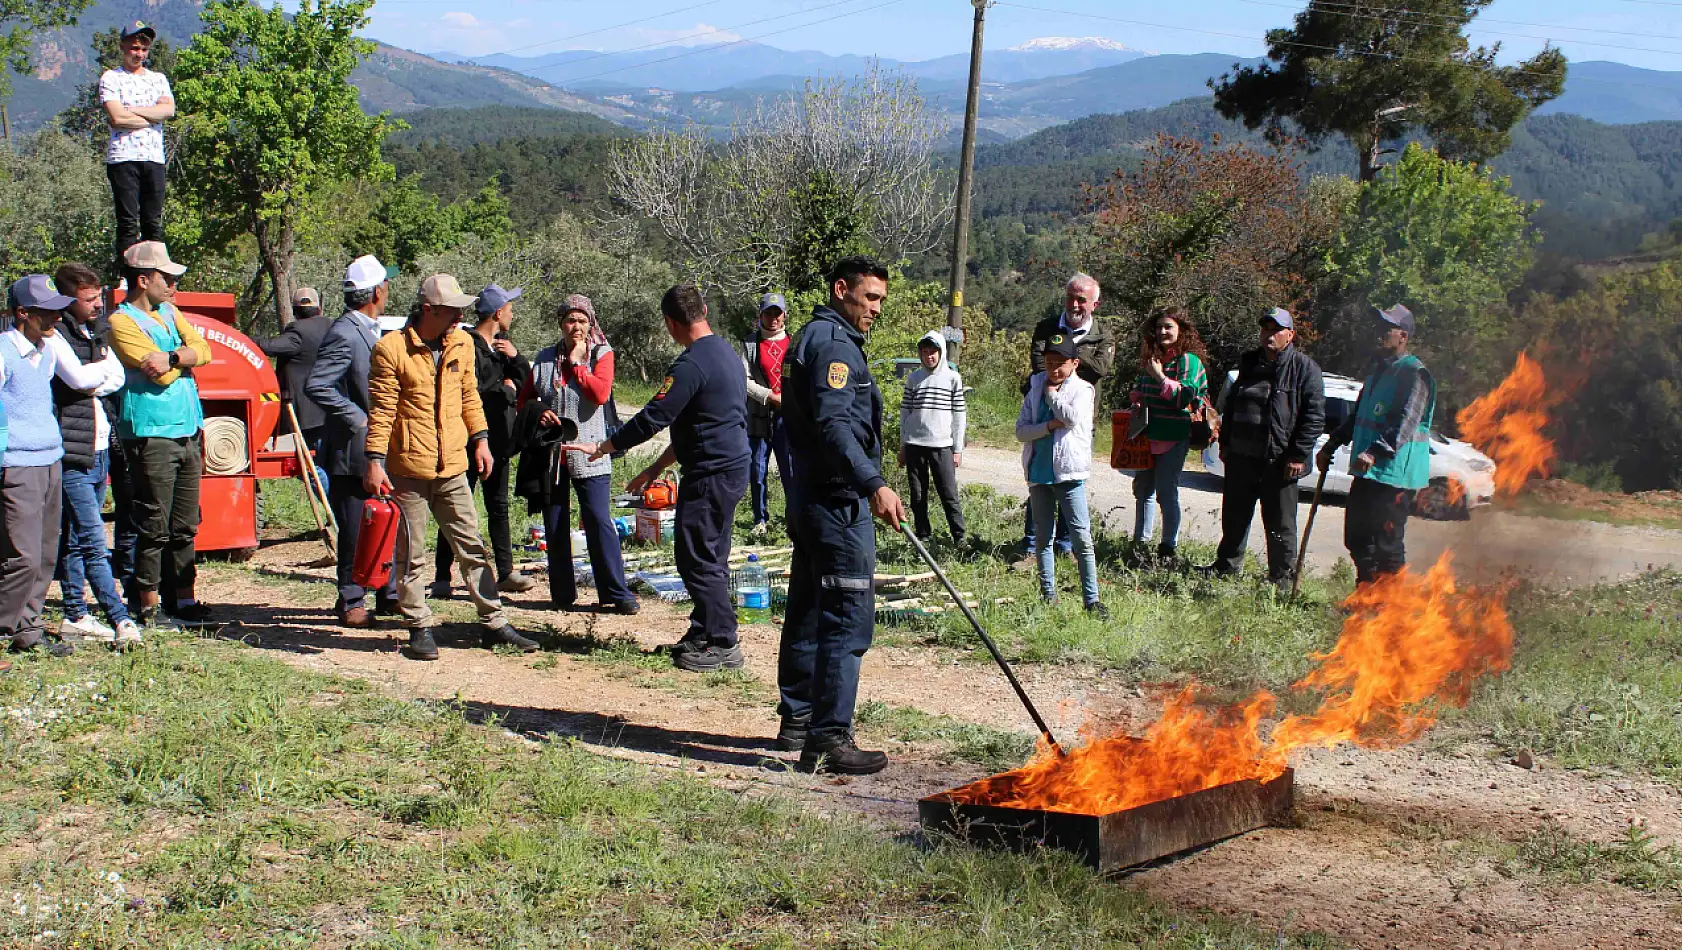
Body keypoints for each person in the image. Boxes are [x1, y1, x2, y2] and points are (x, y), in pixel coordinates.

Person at [571, 285, 750, 674]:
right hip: (730, 466)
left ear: (671, 323)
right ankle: (704, 629)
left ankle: (723, 642)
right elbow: (692, 424)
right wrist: (653, 470)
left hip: (711, 472)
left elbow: (654, 417)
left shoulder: (691, 365)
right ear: (703, 310)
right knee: (710, 553)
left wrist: (604, 447)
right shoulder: (726, 353)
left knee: (696, 557)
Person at [777, 256, 907, 775]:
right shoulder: (833, 346)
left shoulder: (811, 336)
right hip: (835, 504)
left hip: (810, 497)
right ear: (841, 290)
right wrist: (873, 483)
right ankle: (829, 738)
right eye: (869, 297)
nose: (875, 308)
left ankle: (798, 722)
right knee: (846, 618)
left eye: (880, 299)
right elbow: (834, 427)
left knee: (808, 609)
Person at [363, 273, 537, 661]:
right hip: (408, 468)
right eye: (451, 309)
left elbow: (470, 398)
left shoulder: (461, 342)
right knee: (411, 554)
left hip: (454, 465)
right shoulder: (390, 349)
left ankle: (493, 622)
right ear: (428, 310)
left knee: (472, 546)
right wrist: (375, 461)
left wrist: (482, 441)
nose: (460, 315)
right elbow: (382, 412)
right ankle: (418, 626)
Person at [108, 241, 213, 629]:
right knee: (153, 523)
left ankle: (184, 599)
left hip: (187, 428)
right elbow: (160, 373)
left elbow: (204, 351)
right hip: (151, 432)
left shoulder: (170, 311)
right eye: (166, 278)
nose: (173, 285)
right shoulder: (121, 322)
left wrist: (172, 357)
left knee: (185, 524)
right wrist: (180, 360)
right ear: (142, 279)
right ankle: (149, 606)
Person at [516, 294, 639, 615]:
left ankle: (615, 592)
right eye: (571, 320)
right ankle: (562, 594)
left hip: (591, 450)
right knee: (555, 524)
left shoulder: (602, 354)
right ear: (561, 324)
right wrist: (539, 411)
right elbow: (525, 399)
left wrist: (577, 364)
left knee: (599, 521)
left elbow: (600, 394)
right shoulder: (544, 358)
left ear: (591, 323)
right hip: (553, 455)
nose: (577, 327)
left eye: (582, 321)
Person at [50, 263, 141, 648]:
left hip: (99, 448)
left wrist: (97, 374)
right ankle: (119, 618)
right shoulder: (56, 335)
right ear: (69, 300)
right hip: (72, 453)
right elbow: (80, 380)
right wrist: (98, 374)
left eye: (99, 297)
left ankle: (76, 613)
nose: (98, 306)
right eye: (89, 300)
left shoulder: (95, 333)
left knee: (73, 538)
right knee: (90, 536)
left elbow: (114, 379)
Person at [306, 255, 400, 627]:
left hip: (377, 447)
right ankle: (351, 598)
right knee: (355, 526)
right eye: (386, 285)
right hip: (352, 449)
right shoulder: (345, 333)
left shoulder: (374, 330)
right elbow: (317, 384)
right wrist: (358, 416)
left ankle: (388, 593)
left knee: (386, 521)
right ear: (377, 291)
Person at [1204, 308, 1326, 588]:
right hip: (1242, 458)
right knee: (1234, 517)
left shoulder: (1305, 369)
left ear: (1290, 335)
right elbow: (1232, 407)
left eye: (1276, 330)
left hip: (1279, 461)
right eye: (1265, 330)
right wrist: (1225, 443)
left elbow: (1314, 417)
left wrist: (1297, 454)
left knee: (1280, 525)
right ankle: (1226, 568)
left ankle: (1281, 580)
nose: (1269, 335)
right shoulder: (1249, 363)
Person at [1320, 304, 1436, 586]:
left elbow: (1406, 423)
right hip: (1368, 472)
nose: (1379, 333)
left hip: (1395, 476)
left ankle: (1390, 609)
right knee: (1357, 537)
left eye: (1387, 328)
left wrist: (1374, 452)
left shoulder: (1414, 373)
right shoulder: (1377, 374)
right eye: (1378, 327)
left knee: (1388, 544)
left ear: (1403, 336)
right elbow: (1357, 418)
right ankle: (1367, 597)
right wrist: (1330, 445)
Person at [431, 284, 535, 598]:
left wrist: (515, 361)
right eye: (509, 308)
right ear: (497, 313)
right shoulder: (469, 345)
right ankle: (441, 576)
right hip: (471, 441)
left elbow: (524, 380)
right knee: (456, 509)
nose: (512, 313)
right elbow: (472, 390)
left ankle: (505, 572)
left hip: (500, 442)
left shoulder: (502, 347)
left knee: (499, 507)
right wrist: (505, 389)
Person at [1, 277, 82, 657]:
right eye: (47, 311)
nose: (56, 316)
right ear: (22, 314)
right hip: (17, 465)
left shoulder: (47, 349)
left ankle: (28, 631)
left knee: (47, 552)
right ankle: (2, 631)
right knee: (22, 555)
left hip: (50, 458)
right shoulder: (3, 352)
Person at [1021, 273, 1116, 556]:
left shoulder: (1103, 334)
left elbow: (1100, 369)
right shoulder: (1046, 327)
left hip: (1080, 421)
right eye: (1070, 297)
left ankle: (1064, 546)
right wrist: (1069, 363)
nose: (1074, 305)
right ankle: (1032, 546)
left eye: (1081, 300)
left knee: (1070, 482)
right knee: (1040, 480)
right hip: (1042, 415)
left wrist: (1065, 355)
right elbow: (1040, 364)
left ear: (1094, 304)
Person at [1017, 335, 1106, 618]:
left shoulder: (1083, 390)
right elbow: (1021, 431)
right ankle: (1048, 594)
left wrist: (1053, 396)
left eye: (1060, 363)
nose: (1053, 369)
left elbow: (1071, 418)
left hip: (1069, 474)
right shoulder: (1034, 388)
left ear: (1074, 363)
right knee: (1043, 537)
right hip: (1039, 472)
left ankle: (1092, 600)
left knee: (1081, 537)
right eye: (1049, 362)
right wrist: (1047, 426)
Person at [1128, 307, 1209, 563]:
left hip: (1174, 436)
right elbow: (1142, 388)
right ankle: (1140, 543)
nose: (1163, 332)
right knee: (1143, 489)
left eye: (1168, 327)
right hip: (1147, 434)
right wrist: (1137, 398)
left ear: (1181, 330)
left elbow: (1183, 397)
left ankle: (1167, 548)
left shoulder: (1188, 362)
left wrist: (1159, 375)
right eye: (1159, 327)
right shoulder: (1152, 359)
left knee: (1166, 491)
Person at [100, 21, 175, 267]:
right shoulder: (111, 78)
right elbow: (116, 117)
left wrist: (133, 111)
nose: (139, 54)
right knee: (127, 222)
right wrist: (151, 116)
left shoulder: (158, 79)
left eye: (143, 49)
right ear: (123, 47)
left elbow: (168, 110)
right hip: (123, 158)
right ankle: (127, 276)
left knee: (153, 221)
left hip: (153, 159)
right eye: (134, 48)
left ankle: (158, 274)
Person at [259, 287, 333, 489]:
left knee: (309, 466)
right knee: (325, 463)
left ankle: (333, 507)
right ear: (319, 307)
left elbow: (270, 346)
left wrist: (240, 340)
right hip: (331, 408)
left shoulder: (298, 332)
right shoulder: (332, 327)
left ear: (295, 311)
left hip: (306, 413)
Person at [899, 330, 967, 545]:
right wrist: (903, 445)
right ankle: (923, 535)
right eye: (924, 352)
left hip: (942, 445)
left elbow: (959, 415)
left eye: (933, 352)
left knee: (948, 493)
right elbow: (905, 413)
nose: (929, 356)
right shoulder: (914, 378)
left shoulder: (952, 378)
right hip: (915, 444)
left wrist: (957, 449)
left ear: (941, 353)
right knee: (918, 494)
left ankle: (960, 537)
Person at [741, 292, 792, 536]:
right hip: (759, 415)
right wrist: (769, 396)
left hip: (788, 417)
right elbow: (744, 380)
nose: (773, 318)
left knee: (789, 469)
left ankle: (794, 517)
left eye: (777, 313)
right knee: (757, 469)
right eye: (768, 313)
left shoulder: (794, 343)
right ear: (760, 315)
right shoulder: (750, 344)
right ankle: (760, 520)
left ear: (784, 316)